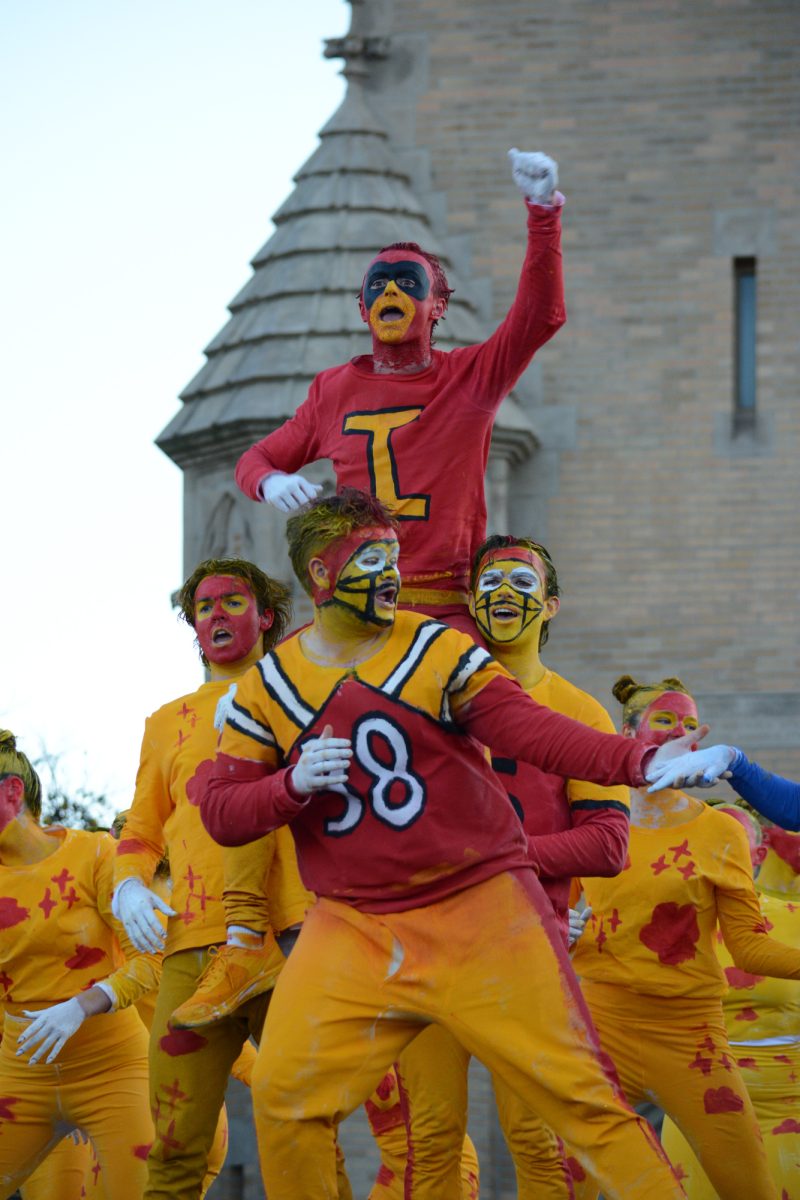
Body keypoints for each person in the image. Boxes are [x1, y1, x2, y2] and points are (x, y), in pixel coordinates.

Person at [200, 488, 714, 1200]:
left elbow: (530, 728)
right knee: (287, 1099)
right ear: (320, 575)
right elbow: (224, 813)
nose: (390, 575)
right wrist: (291, 785)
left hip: (480, 910)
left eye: (392, 559)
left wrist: (640, 763)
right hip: (353, 922)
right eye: (370, 559)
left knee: (583, 1108)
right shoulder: (271, 686)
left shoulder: (435, 646)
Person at [367, 533, 633, 1199]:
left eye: (520, 580)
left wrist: (502, 862)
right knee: (427, 1139)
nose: (503, 594)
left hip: (524, 950)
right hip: (427, 945)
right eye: (488, 582)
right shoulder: (424, 702)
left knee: (539, 1140)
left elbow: (608, 844)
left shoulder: (580, 712)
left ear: (551, 606)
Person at [234, 149, 566, 635]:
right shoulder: (333, 389)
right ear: (363, 309)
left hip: (445, 610)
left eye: (408, 283)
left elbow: (541, 317)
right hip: (354, 605)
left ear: (437, 306)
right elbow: (253, 461)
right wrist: (271, 483)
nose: (391, 292)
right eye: (378, 285)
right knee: (272, 695)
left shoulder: (471, 375)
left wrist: (543, 213)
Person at [111, 557, 311, 1200]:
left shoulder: (306, 692)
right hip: (191, 948)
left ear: (267, 617)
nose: (217, 615)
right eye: (203, 607)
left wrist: (272, 708)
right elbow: (141, 829)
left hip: (289, 939)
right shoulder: (166, 722)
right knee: (172, 1148)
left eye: (232, 602)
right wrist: (129, 884)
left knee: (305, 1135)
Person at [565, 675, 800, 1200]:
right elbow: (542, 906)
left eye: (690, 726)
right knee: (558, 1182)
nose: (679, 733)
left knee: (750, 1188)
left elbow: (750, 947)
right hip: (600, 1028)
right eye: (665, 720)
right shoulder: (590, 813)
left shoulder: (721, 832)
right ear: (626, 730)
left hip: (690, 1034)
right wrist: (556, 927)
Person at [0, 731, 158, 1199]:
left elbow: (151, 958)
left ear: (12, 792)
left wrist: (83, 1005)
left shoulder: (95, 854)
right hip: (21, 1073)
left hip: (113, 1068)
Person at [660, 807, 800, 1199]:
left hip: (785, 1106)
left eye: (728, 847)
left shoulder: (791, 919)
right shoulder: (665, 919)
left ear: (757, 855)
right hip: (697, 1100)